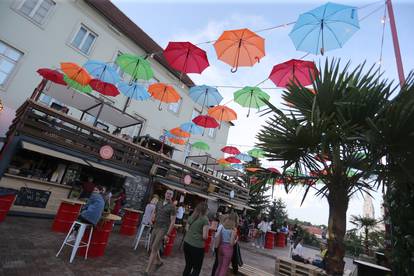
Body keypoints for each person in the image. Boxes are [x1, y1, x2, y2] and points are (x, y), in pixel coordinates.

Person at [143, 190, 176, 276]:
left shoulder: (172, 207)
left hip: (163, 229)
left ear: (172, 196)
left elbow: (172, 221)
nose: (168, 195)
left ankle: (147, 271)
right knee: (153, 246)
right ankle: (159, 261)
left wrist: (167, 234)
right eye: (167, 193)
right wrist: (151, 219)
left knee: (154, 248)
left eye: (170, 194)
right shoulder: (159, 203)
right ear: (165, 194)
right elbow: (155, 212)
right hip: (155, 226)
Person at [182, 202, 210, 276]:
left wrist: (193, 233)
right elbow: (205, 236)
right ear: (206, 210)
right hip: (197, 246)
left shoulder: (192, 216)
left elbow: (186, 228)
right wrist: (198, 235)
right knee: (196, 268)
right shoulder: (205, 219)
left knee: (188, 265)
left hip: (187, 243)